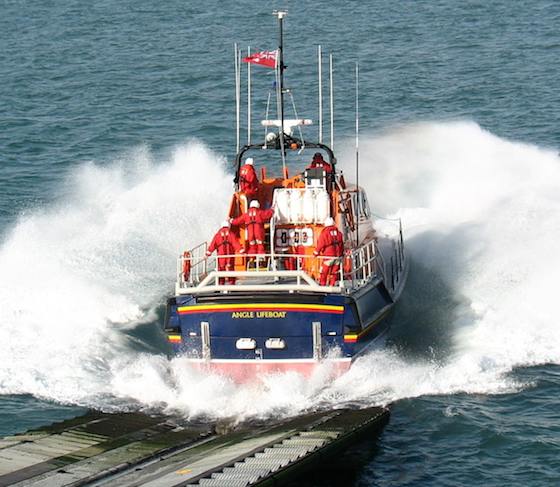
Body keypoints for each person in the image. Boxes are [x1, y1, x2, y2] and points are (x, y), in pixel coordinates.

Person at [313, 216, 344, 286]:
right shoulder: (339, 233)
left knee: (324, 272)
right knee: (334, 272)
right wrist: (341, 254)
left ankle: (322, 285)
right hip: (337, 257)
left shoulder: (325, 233)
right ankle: (332, 285)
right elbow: (341, 245)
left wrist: (315, 253)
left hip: (328, 257)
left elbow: (321, 244)